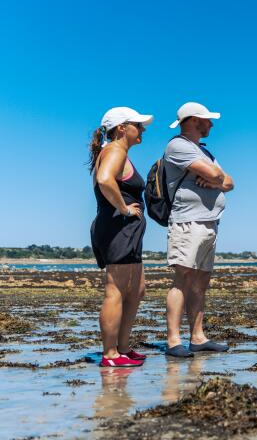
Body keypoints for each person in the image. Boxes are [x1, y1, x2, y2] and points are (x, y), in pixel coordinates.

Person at [163, 102, 234, 358]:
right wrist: (216, 179)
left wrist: (216, 181)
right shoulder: (178, 146)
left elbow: (229, 182)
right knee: (182, 279)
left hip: (209, 222)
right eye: (207, 119)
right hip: (187, 222)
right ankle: (173, 340)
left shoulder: (204, 151)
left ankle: (197, 337)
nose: (211, 124)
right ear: (194, 120)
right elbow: (217, 176)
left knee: (201, 282)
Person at [89, 107, 153, 367]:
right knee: (115, 291)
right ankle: (110, 354)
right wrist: (124, 209)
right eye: (138, 124)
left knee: (137, 290)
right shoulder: (115, 150)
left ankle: (123, 348)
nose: (143, 129)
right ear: (121, 128)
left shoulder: (118, 151)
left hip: (126, 231)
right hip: (118, 228)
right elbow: (105, 180)